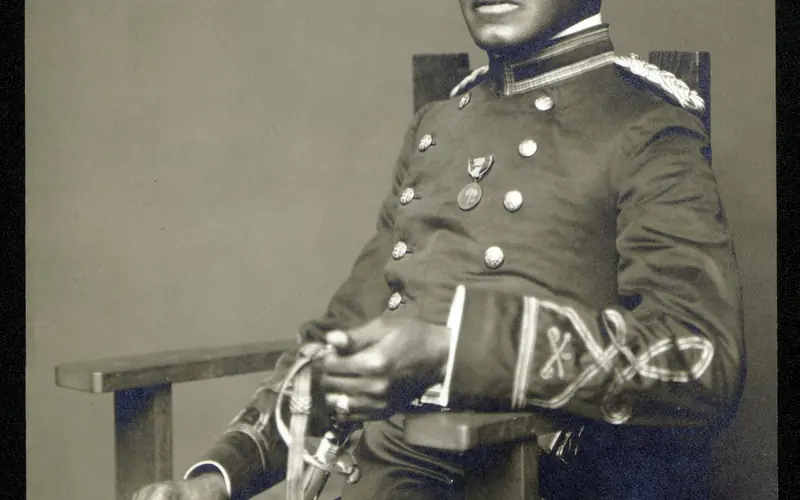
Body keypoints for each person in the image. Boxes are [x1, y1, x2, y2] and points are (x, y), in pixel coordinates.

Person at [133, 0, 745, 499]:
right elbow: (345, 333)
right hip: (378, 476)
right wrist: (219, 476)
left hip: (526, 481)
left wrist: (455, 349)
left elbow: (701, 361)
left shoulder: (643, 125)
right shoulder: (440, 125)